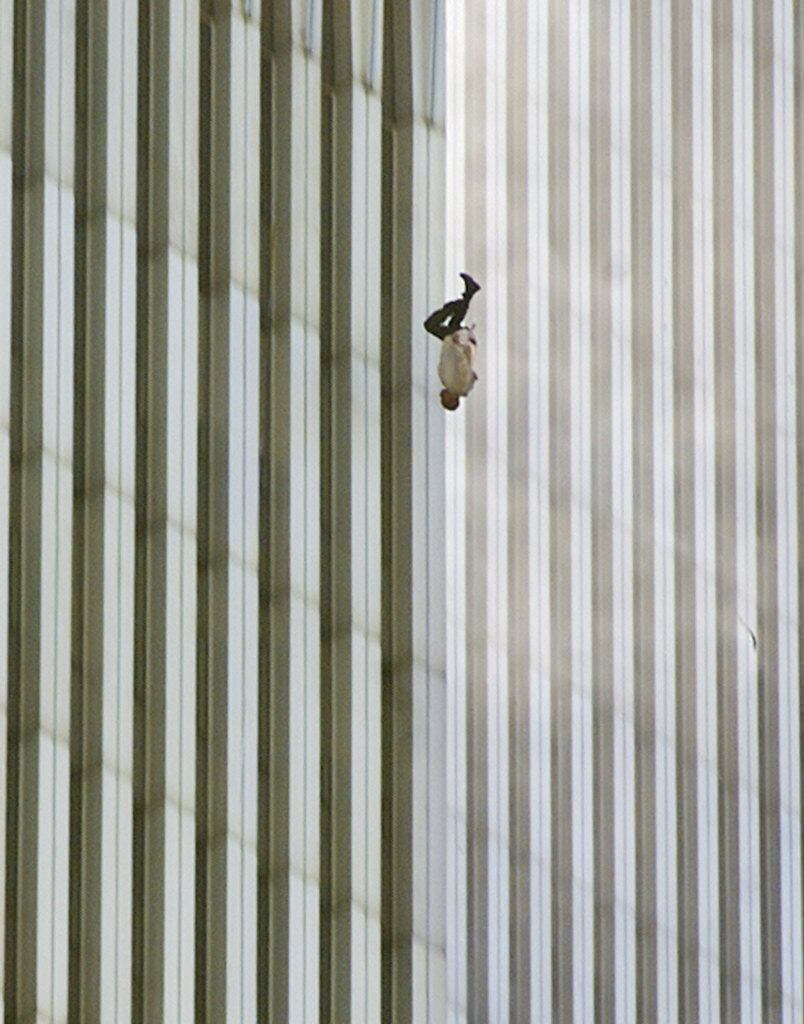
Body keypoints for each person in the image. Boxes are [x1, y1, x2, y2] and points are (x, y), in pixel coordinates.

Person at [424, 273, 481, 411]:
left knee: (454, 322)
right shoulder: (457, 385)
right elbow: (463, 366)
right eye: (444, 400)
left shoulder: (450, 384)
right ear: (451, 400)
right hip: (457, 343)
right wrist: (457, 346)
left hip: (455, 343)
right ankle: (462, 300)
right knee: (431, 325)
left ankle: (467, 296)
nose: (441, 397)